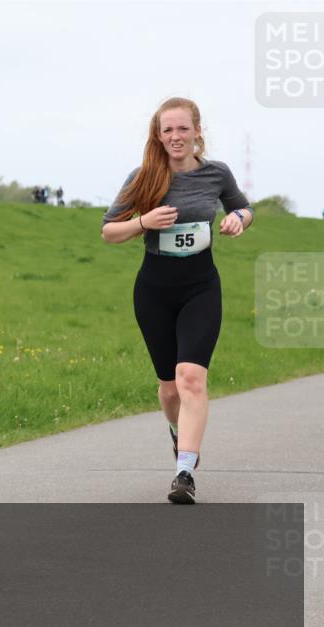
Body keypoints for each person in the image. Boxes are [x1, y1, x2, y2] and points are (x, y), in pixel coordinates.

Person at [101, 97, 253, 504]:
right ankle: (176, 432)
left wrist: (239, 218)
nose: (175, 136)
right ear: (158, 135)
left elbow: (243, 207)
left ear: (197, 131)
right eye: (167, 130)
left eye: (183, 128)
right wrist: (143, 223)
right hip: (154, 288)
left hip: (201, 285)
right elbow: (108, 231)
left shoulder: (216, 173)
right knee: (169, 389)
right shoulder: (144, 176)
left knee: (191, 376)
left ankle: (184, 470)